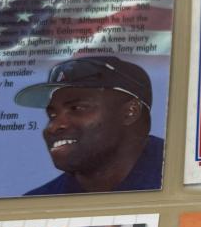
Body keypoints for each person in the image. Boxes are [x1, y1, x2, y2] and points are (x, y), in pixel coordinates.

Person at [14, 55, 164, 194]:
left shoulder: (176, 173)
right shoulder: (40, 202)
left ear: (130, 112)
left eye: (76, 108)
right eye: (52, 115)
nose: (52, 127)